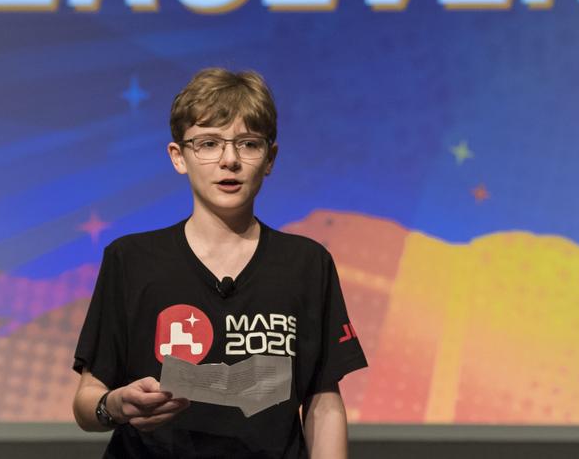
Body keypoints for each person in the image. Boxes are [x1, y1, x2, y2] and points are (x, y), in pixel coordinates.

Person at [72, 68, 368, 458]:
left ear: (270, 158)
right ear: (179, 157)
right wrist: (114, 406)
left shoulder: (306, 264)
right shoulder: (131, 260)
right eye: (208, 144)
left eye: (248, 144)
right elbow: (87, 399)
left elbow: (323, 400)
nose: (230, 160)